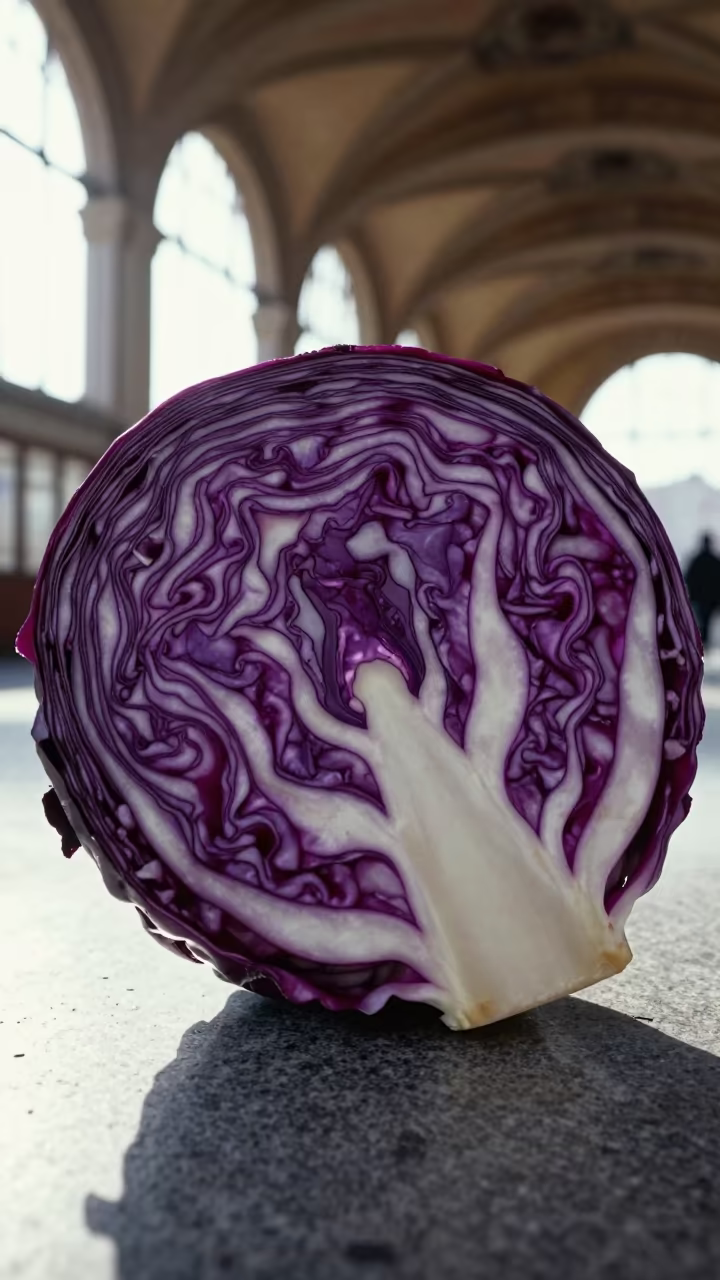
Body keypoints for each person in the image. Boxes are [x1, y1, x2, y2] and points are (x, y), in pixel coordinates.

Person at [685, 532, 720, 647]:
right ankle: (704, 641)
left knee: (702, 619)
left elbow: (688, 577)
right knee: (706, 620)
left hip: (700, 597)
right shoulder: (715, 560)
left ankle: (702, 641)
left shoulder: (696, 560)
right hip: (711, 598)